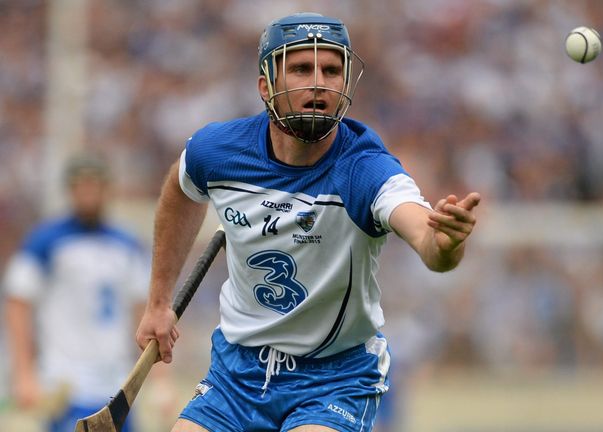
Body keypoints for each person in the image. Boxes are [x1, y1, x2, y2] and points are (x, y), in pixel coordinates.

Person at [136, 12, 481, 432]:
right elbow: (181, 187)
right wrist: (158, 301)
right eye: (301, 68)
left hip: (334, 379)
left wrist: (445, 243)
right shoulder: (218, 151)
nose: (319, 83)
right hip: (237, 373)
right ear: (266, 86)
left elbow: (426, 237)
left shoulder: (366, 170)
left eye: (332, 70)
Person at [2, 154, 150, 432]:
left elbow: (144, 310)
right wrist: (23, 372)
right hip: (67, 382)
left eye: (95, 185)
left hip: (117, 382)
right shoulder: (45, 240)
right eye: (82, 186)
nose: (88, 193)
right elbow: (17, 301)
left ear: (108, 190)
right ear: (70, 190)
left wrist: (159, 377)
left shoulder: (127, 243)